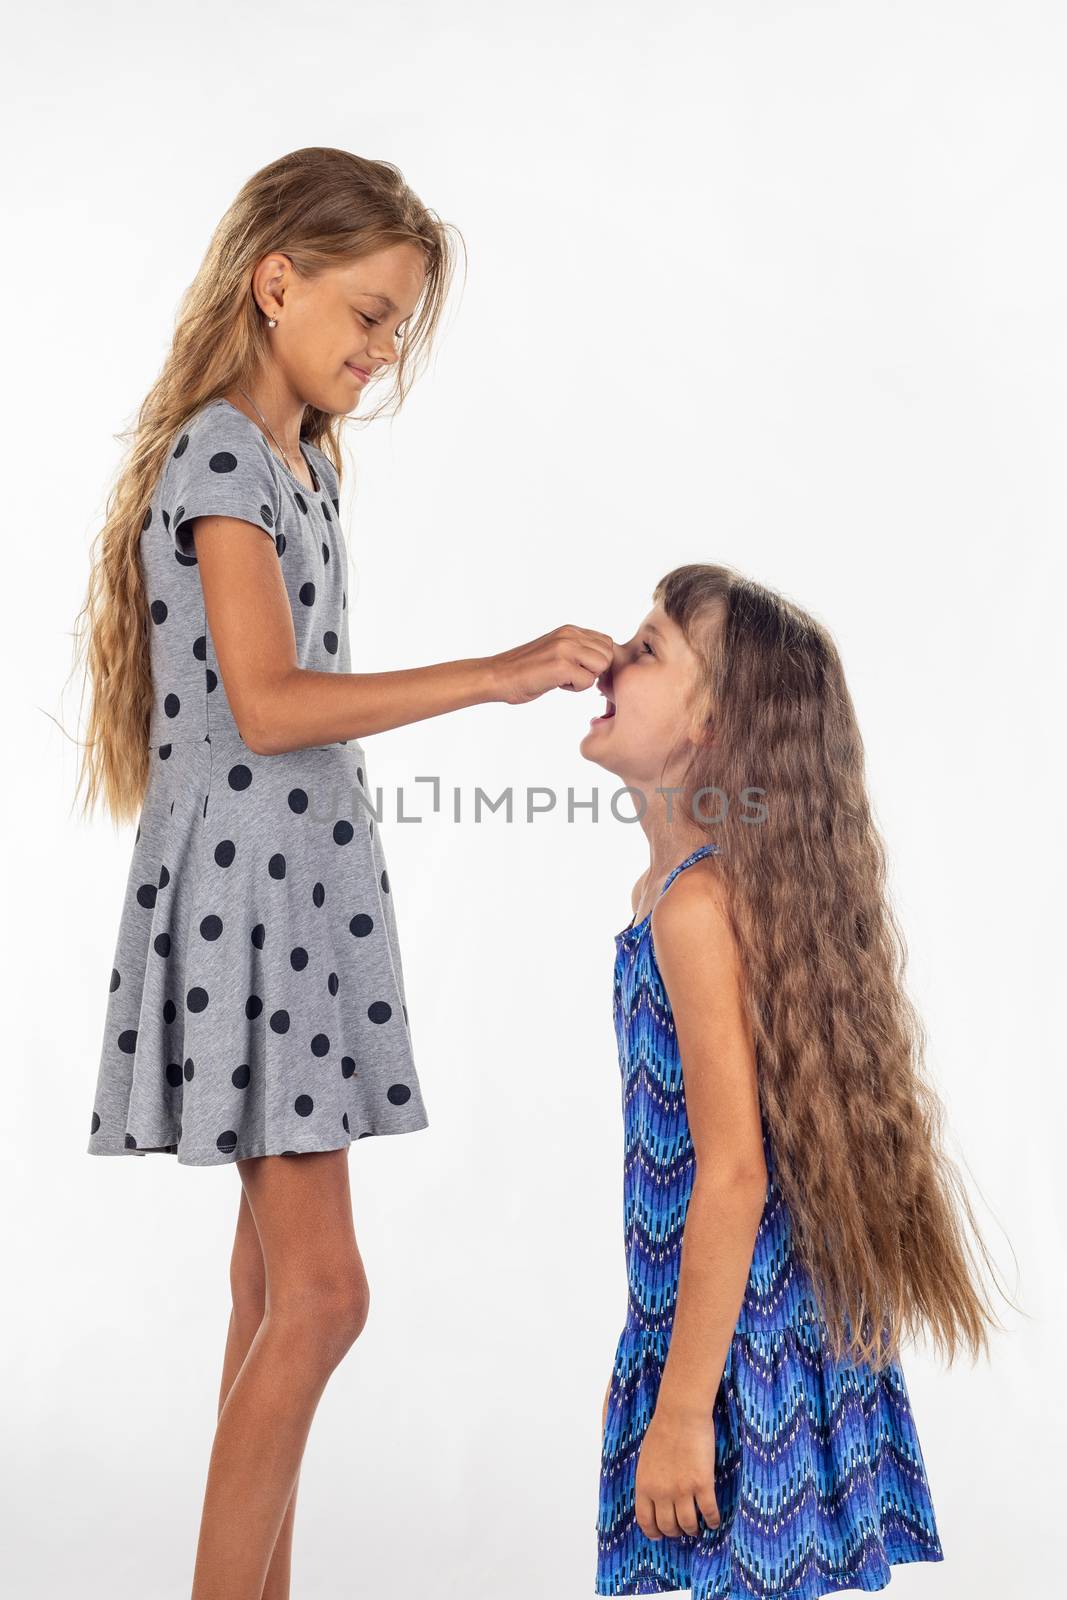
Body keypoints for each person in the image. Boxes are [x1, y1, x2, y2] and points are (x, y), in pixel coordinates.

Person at [71, 145, 613, 1600]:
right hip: (254, 892)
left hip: (296, 888)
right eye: (367, 317)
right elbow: (266, 702)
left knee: (270, 1289)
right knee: (324, 1290)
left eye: (395, 329)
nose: (379, 354)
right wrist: (494, 673)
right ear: (277, 282)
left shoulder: (296, 455)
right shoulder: (223, 456)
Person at [581, 563, 1012, 1599]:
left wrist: (682, 1404)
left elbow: (733, 1174)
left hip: (743, 1351)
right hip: (737, 1328)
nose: (610, 659)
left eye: (645, 650)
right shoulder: (669, 891)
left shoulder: (692, 910)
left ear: (710, 730)